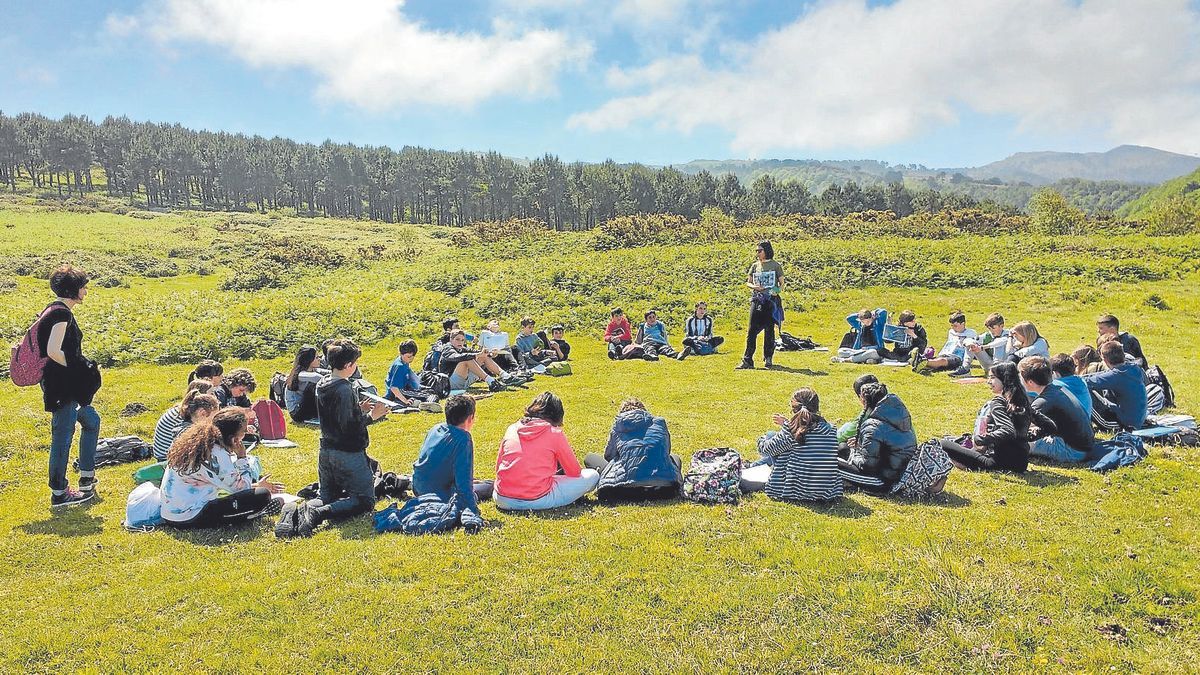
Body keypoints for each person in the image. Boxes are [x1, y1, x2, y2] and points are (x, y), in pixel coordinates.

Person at [300, 339, 391, 534]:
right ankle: (317, 515)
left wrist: (357, 409)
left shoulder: (323, 383)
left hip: (326, 450)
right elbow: (349, 427)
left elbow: (334, 415)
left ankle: (298, 511)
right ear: (349, 365)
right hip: (347, 453)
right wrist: (371, 416)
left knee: (327, 495)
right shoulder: (345, 388)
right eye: (355, 363)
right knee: (365, 500)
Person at [38, 264, 103, 507]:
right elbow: (53, 350)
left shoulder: (56, 310)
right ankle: (59, 492)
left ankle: (86, 477)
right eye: (83, 287)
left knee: (91, 421)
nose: (86, 291)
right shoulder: (60, 314)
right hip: (62, 384)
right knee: (63, 435)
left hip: (67, 383)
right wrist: (78, 367)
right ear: (73, 289)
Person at [159, 408, 284, 528]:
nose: (245, 435)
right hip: (189, 516)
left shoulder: (197, 442)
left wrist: (256, 485)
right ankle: (260, 513)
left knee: (254, 491)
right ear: (233, 438)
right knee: (262, 495)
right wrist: (242, 458)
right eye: (244, 432)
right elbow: (240, 489)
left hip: (171, 512)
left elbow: (224, 482)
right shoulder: (217, 454)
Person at [494, 392, 599, 511]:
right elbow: (574, 472)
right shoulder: (554, 433)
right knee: (593, 475)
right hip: (537, 499)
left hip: (502, 498)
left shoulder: (512, 428)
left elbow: (498, 466)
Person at [740, 388, 842, 502]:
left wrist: (761, 439)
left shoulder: (792, 430)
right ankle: (753, 465)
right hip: (827, 491)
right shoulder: (831, 429)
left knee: (770, 435)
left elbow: (766, 450)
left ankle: (752, 466)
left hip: (795, 491)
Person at [411, 395, 489, 533]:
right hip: (439, 494)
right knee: (489, 486)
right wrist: (472, 511)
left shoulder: (436, 428)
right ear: (470, 418)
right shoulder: (463, 439)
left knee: (476, 483)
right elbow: (463, 483)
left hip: (418, 487)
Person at [940, 363, 1038, 473]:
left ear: (1004, 379)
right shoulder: (1024, 400)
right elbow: (1048, 425)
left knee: (942, 444)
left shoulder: (999, 403)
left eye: (992, 377)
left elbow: (1008, 431)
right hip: (1020, 464)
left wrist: (981, 439)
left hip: (997, 463)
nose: (988, 381)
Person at [584, 398, 683, 503]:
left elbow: (609, 455)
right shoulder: (660, 423)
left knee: (590, 458)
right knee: (675, 458)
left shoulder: (619, 425)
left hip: (622, 491)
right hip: (665, 489)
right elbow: (665, 452)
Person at [838, 382, 917, 491]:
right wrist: (860, 447)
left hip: (883, 481)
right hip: (898, 473)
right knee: (843, 447)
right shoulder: (897, 415)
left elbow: (867, 466)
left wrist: (855, 454)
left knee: (830, 463)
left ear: (865, 401)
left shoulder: (872, 425)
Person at [1020, 357, 1095, 463]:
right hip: (1086, 445)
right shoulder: (1058, 389)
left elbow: (1020, 427)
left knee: (1017, 443)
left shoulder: (1043, 402)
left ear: (1030, 382)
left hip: (1072, 451)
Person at [738, 240, 784, 370]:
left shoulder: (776, 266)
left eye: (760, 251)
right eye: (756, 251)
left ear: (766, 251)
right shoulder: (755, 266)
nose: (757, 253)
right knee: (752, 329)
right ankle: (747, 360)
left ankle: (768, 357)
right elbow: (748, 282)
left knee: (769, 329)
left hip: (770, 300)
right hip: (757, 299)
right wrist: (754, 287)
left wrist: (776, 291)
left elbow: (782, 284)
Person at [1083, 340, 1148, 432]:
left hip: (1124, 424)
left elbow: (1085, 381)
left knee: (1083, 389)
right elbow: (1102, 375)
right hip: (1136, 420)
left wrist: (1068, 378)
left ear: (1104, 360)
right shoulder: (1133, 368)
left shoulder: (1116, 376)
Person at [153, 381, 219, 460]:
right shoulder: (186, 428)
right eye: (211, 393)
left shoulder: (187, 412)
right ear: (202, 413)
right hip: (164, 457)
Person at [439, 329, 521, 393]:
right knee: (467, 359)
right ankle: (491, 382)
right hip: (450, 383)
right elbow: (455, 357)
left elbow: (476, 352)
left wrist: (490, 354)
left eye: (463, 340)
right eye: (457, 339)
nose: (460, 342)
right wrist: (477, 355)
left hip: (463, 381)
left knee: (483, 356)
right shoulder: (447, 348)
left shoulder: (461, 348)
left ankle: (506, 377)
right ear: (451, 340)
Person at [384, 340, 439, 412]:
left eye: (413, 356)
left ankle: (422, 403)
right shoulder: (399, 366)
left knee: (430, 391)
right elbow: (394, 388)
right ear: (401, 354)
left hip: (405, 389)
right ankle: (426, 405)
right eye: (409, 356)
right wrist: (405, 400)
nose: (411, 359)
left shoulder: (403, 361)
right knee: (431, 395)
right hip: (400, 392)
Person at [1049, 353, 1093, 421]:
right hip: (1086, 427)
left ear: (1055, 374)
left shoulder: (1055, 386)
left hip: (1064, 429)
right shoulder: (1082, 382)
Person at [285, 346, 324, 422]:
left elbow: (330, 373)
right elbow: (316, 377)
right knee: (314, 386)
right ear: (308, 360)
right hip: (297, 412)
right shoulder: (300, 374)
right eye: (316, 358)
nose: (319, 359)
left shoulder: (313, 370)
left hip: (305, 408)